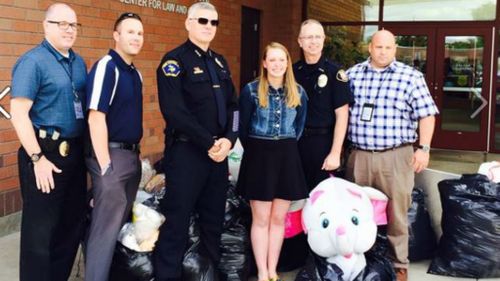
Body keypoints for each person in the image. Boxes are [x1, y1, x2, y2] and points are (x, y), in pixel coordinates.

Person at [154, 2, 238, 281]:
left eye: (214, 22)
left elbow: (234, 109)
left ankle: (208, 274)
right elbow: (175, 112)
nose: (208, 27)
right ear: (188, 22)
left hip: (218, 156)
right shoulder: (173, 62)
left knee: (214, 222)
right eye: (203, 21)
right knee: (176, 222)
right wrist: (209, 142)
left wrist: (229, 139)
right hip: (187, 153)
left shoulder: (220, 62)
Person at [346, 29, 439, 281]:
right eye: (378, 47)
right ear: (370, 48)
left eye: (388, 48)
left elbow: (427, 115)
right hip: (360, 156)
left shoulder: (410, 77)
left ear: (395, 50)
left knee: (397, 213)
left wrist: (425, 148)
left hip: (397, 156)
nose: (383, 52)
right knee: (357, 212)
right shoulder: (353, 75)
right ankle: (359, 262)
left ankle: (399, 265)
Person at [10, 3, 87, 281]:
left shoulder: (79, 63)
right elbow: (18, 115)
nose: (69, 30)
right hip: (44, 154)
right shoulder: (33, 62)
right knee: (39, 235)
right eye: (62, 24)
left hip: (74, 153)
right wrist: (37, 159)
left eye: (74, 24)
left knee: (70, 227)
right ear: (46, 26)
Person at [238, 42, 308, 281]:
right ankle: (260, 272)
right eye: (273, 60)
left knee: (279, 218)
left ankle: (272, 271)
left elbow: (299, 128)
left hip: (287, 157)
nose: (277, 64)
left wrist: (282, 145)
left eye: (282, 60)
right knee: (261, 218)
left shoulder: (298, 92)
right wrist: (260, 148)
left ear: (287, 63)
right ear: (265, 63)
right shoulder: (250, 91)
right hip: (259, 156)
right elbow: (242, 128)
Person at [84, 12, 144, 281]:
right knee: (105, 232)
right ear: (116, 35)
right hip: (111, 157)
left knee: (117, 228)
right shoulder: (107, 66)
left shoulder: (136, 73)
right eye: (130, 32)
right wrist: (105, 167)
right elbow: (96, 116)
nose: (136, 37)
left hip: (131, 157)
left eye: (140, 33)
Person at [294, 19, 353, 190]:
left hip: (323, 144)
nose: (313, 41)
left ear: (324, 39)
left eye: (317, 37)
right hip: (295, 143)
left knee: (320, 199)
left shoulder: (335, 72)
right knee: (295, 197)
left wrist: (335, 152)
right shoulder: (292, 72)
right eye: (309, 37)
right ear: (300, 41)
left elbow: (342, 115)